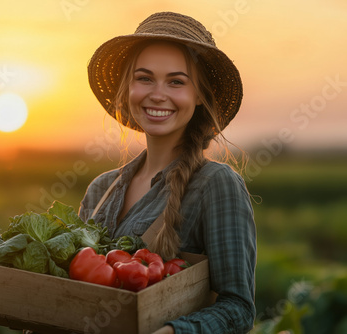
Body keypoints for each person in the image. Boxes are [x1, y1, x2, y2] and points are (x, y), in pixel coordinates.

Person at [79, 12, 257, 333]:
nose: (157, 94)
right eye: (144, 78)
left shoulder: (216, 185)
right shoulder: (100, 190)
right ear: (127, 88)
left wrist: (173, 332)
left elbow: (238, 308)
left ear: (199, 95)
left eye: (176, 81)